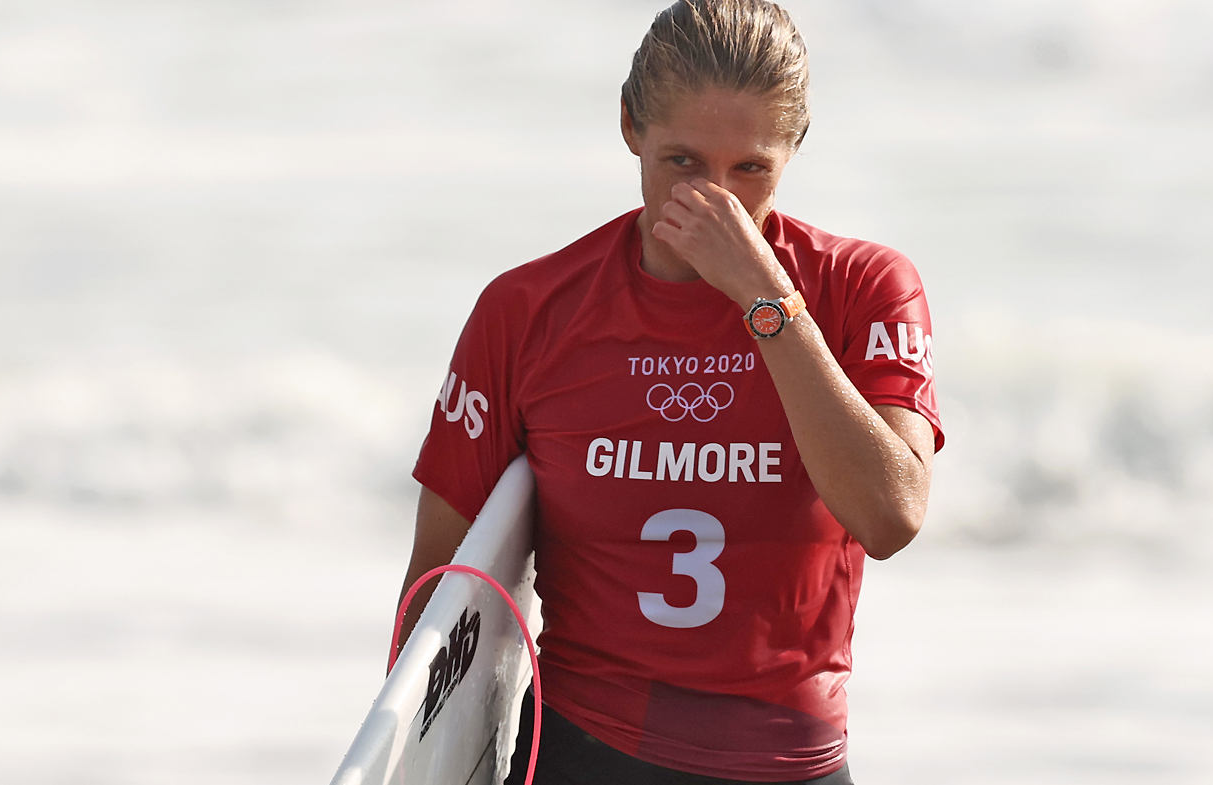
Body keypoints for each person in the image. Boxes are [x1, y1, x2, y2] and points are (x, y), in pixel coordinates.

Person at [399, 1, 942, 782]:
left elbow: (891, 514)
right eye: (683, 162)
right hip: (584, 752)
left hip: (788, 760)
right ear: (629, 127)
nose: (713, 202)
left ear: (796, 148)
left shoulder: (862, 290)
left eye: (750, 169)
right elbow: (438, 592)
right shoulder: (527, 311)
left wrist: (764, 296)